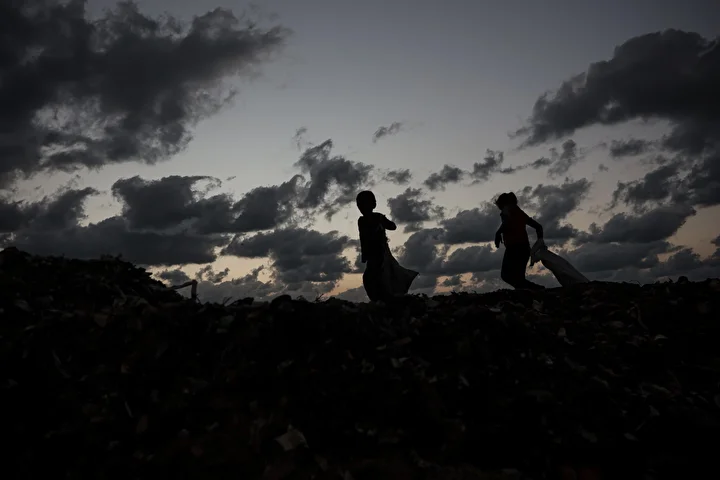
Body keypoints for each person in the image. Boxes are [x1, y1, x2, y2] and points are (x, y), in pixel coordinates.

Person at [357, 190, 418, 301]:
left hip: (380, 252)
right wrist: (364, 255)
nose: (361, 207)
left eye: (363, 204)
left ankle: (385, 298)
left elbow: (392, 226)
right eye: (359, 205)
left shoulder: (378, 217)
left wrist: (382, 222)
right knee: (370, 277)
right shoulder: (361, 221)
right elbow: (363, 238)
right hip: (371, 254)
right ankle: (381, 299)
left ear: (373, 204)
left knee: (380, 276)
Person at [494, 192, 545, 290]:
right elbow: (538, 227)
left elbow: (506, 221)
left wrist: (498, 232)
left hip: (514, 249)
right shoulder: (519, 213)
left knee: (506, 276)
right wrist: (540, 240)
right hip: (524, 249)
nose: (501, 211)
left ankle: (535, 289)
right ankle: (536, 290)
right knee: (519, 279)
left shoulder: (507, 211)